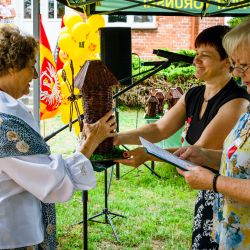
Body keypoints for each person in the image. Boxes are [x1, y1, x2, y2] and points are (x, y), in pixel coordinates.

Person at [114, 25, 250, 249]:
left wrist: (147, 155)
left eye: (204, 56)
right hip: (219, 198)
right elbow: (159, 130)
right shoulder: (195, 94)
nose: (196, 60)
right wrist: (118, 137)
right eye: (196, 53)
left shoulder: (237, 102)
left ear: (227, 62)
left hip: (221, 191)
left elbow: (197, 152)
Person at [0, 25, 116, 249]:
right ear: (13, 66)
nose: (35, 75)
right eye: (31, 66)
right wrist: (90, 144)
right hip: (11, 235)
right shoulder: (5, 122)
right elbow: (51, 182)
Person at [175, 19, 250, 250]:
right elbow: (240, 164)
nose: (237, 73)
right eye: (236, 65)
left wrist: (214, 181)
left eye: (244, 65)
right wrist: (205, 156)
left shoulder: (237, 100)